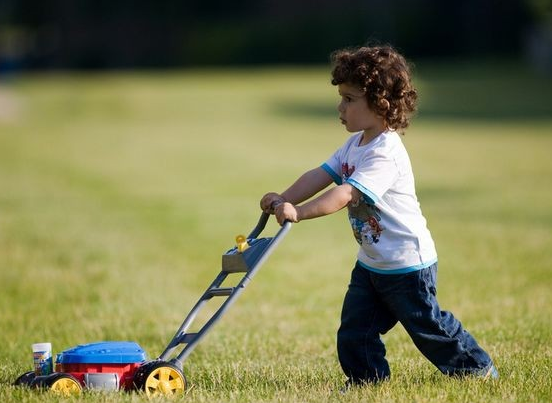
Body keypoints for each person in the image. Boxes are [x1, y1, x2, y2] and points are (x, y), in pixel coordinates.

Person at [260, 45, 497, 386]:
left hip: (406, 265)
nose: (340, 107)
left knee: (429, 328)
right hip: (372, 263)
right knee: (355, 329)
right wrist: (284, 197)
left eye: (349, 99)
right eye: (341, 98)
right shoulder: (355, 144)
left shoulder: (386, 153)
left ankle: (476, 367)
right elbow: (320, 174)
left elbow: (344, 194)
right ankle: (366, 381)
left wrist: (297, 212)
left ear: (380, 102)